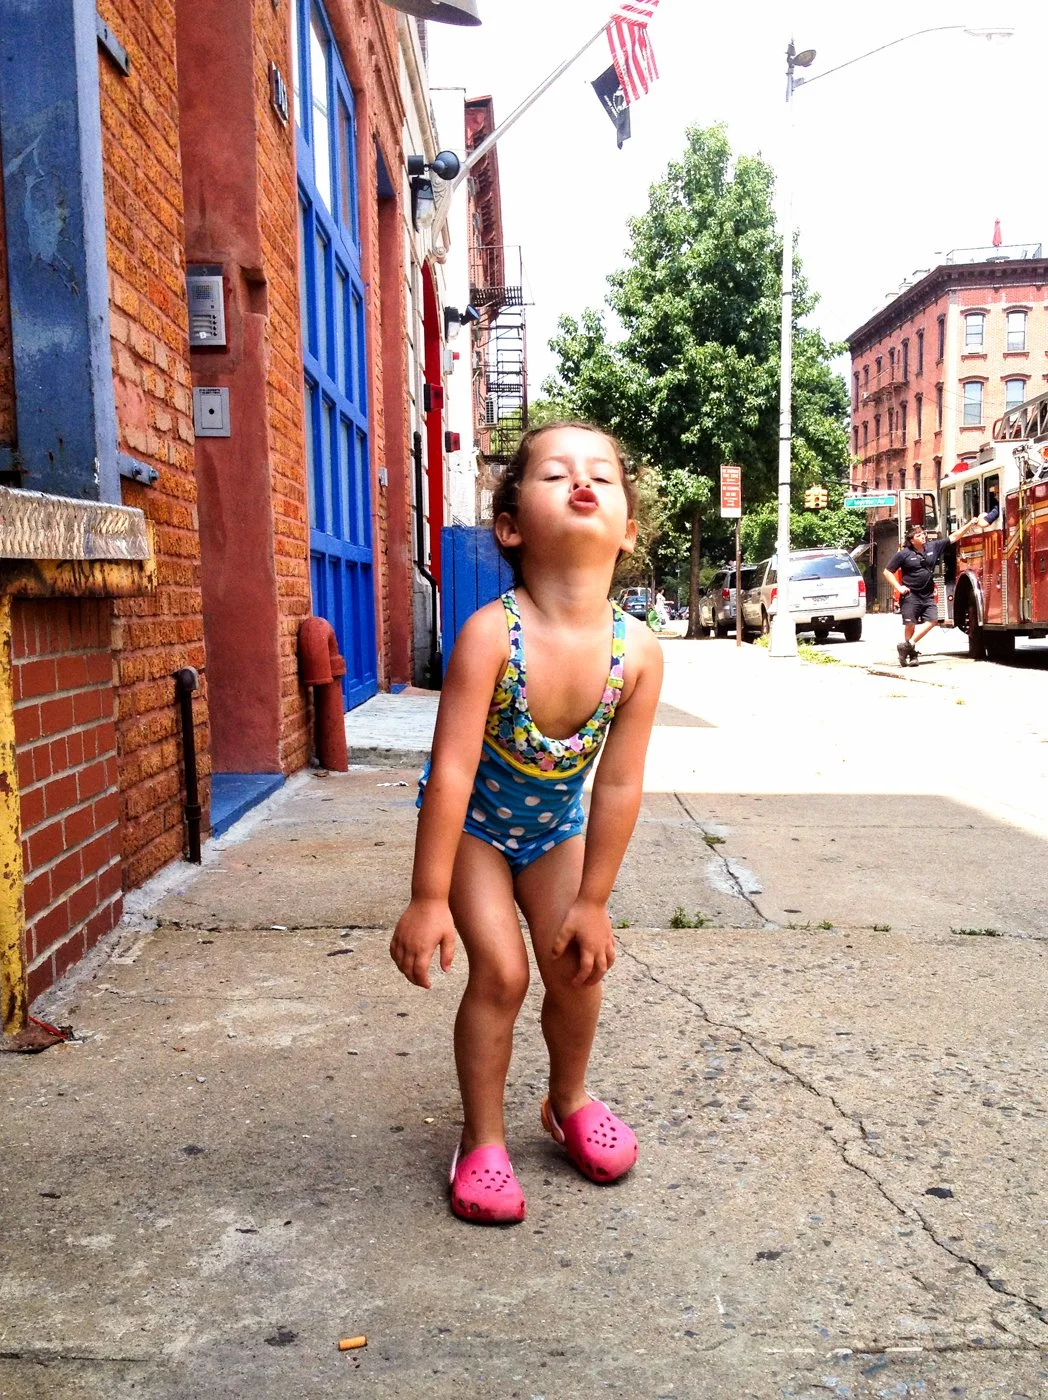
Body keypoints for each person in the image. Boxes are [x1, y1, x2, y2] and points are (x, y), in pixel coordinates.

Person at [390, 421, 664, 1225]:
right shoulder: (488, 637)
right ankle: (481, 1140)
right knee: (503, 975)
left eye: (601, 477)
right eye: (554, 475)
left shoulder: (637, 652)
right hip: (475, 831)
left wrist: (594, 900)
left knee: (578, 966)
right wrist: (428, 897)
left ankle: (567, 1100)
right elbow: (450, 776)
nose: (582, 483)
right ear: (510, 526)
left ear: (628, 527)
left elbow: (617, 785)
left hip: (553, 833)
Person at [884, 518, 976, 666]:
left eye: (923, 534)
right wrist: (899, 588)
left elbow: (954, 536)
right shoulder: (904, 554)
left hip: (927, 595)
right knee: (910, 625)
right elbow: (887, 572)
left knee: (933, 620)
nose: (923, 536)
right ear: (912, 540)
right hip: (910, 595)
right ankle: (911, 655)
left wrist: (970, 524)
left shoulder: (933, 547)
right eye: (919, 535)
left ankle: (908, 645)